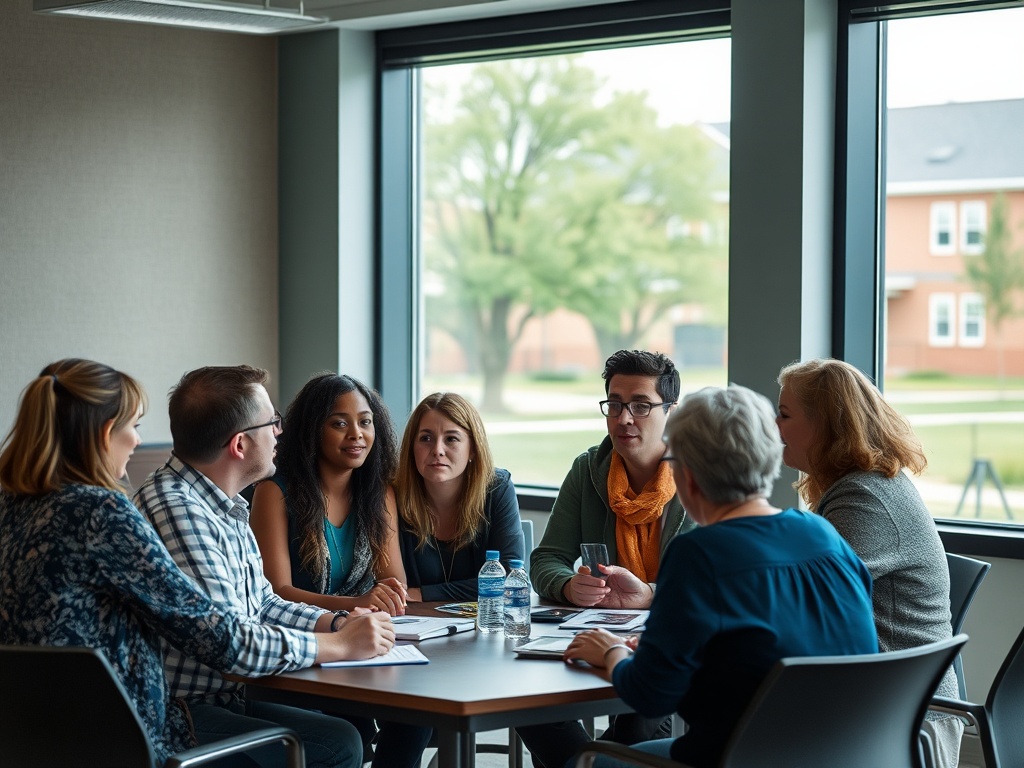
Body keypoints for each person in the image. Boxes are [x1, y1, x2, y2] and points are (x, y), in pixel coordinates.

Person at [561, 384, 879, 768]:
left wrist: (610, 651)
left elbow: (650, 696)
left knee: (582, 761)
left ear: (689, 476)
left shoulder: (699, 554)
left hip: (737, 758)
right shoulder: (824, 534)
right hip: (842, 755)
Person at [134, 365, 396, 768]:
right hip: (175, 713)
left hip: (224, 697)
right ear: (240, 444)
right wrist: (339, 646)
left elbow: (263, 603)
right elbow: (235, 646)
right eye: (272, 422)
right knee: (337, 744)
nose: (279, 432)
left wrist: (337, 623)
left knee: (344, 734)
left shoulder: (223, 505)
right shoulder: (178, 510)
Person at [777, 358, 964, 768]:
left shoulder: (866, 500)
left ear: (824, 424)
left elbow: (798, 601)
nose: (775, 426)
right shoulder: (863, 486)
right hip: (876, 708)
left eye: (785, 414)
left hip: (902, 725)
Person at [522, 350, 696, 755]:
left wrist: (651, 593)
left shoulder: (698, 477)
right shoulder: (588, 470)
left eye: (640, 406)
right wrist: (569, 586)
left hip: (669, 639)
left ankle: (596, 762)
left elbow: (716, 580)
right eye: (614, 404)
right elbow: (546, 559)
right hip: (599, 629)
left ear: (671, 410)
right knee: (533, 705)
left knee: (638, 727)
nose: (624, 419)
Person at [248, 372, 416, 768]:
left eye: (365, 421)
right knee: (348, 736)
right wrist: (354, 604)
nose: (356, 434)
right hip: (304, 651)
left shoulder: (379, 493)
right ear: (312, 431)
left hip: (362, 649)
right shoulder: (275, 491)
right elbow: (275, 592)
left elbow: (394, 582)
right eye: (339, 423)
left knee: (414, 720)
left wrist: (384, 598)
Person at [396, 391, 524, 602]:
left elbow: (511, 579)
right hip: (413, 627)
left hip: (485, 625)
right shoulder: (393, 496)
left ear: (473, 449)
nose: (437, 450)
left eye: (451, 439)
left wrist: (422, 593)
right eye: (426, 438)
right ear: (412, 448)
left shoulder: (497, 488)